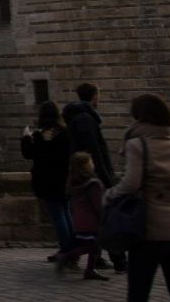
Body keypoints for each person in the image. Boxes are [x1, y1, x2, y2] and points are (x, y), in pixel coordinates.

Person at [104, 93, 170, 302]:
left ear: (139, 118)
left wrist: (109, 195)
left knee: (138, 293)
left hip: (150, 232)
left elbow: (131, 184)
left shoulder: (137, 145)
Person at [65, 82, 125, 272]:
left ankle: (94, 258)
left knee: (92, 224)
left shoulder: (77, 117)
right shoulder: (85, 118)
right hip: (93, 177)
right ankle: (119, 262)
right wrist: (107, 179)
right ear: (94, 96)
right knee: (108, 220)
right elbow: (95, 152)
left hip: (83, 176)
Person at [21, 101, 73, 261]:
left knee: (58, 215)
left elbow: (29, 154)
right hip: (63, 179)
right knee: (66, 213)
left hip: (45, 180)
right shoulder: (65, 133)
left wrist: (25, 138)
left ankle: (66, 250)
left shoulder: (39, 136)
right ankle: (72, 248)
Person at [60, 151, 109, 280]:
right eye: (91, 162)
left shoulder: (75, 182)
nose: (93, 164)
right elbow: (98, 205)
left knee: (94, 245)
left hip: (79, 220)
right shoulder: (93, 184)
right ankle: (66, 257)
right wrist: (105, 218)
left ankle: (90, 269)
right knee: (93, 245)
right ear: (86, 166)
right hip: (92, 221)